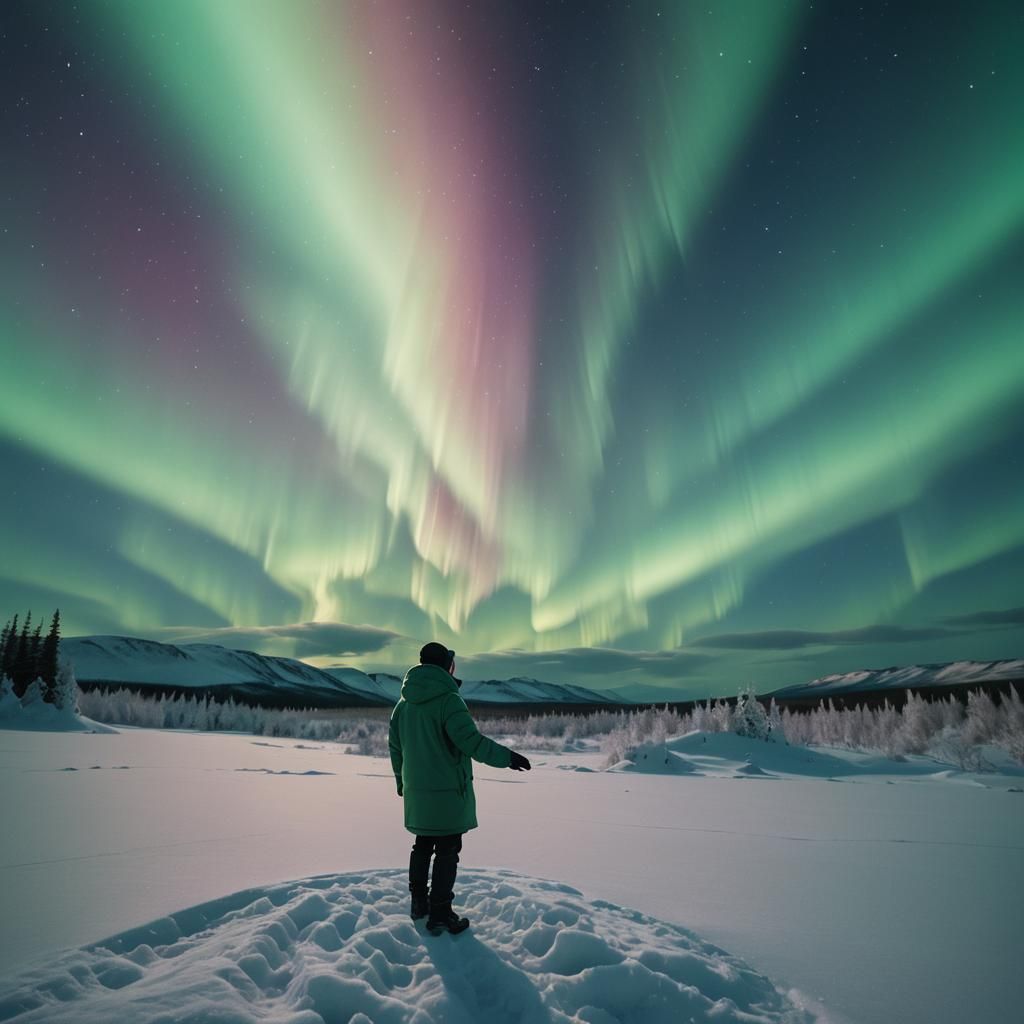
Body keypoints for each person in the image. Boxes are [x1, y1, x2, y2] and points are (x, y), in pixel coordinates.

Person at [389, 641, 531, 935]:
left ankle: (419, 903)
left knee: (422, 845)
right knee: (447, 850)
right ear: (446, 666)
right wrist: (508, 758)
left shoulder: (403, 705)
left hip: (418, 794)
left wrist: (402, 782)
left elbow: (396, 749)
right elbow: (472, 743)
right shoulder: (448, 701)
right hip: (448, 795)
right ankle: (440, 913)